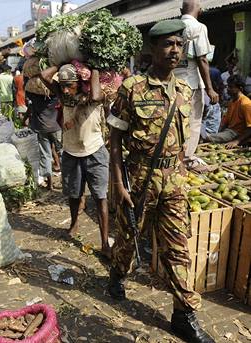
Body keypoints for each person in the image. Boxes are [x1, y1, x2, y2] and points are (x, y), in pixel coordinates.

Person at [107, 20, 215, 343]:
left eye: (179, 45)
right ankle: (117, 274)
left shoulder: (184, 91)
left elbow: (182, 143)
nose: (175, 51)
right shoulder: (132, 89)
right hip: (140, 179)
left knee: (179, 248)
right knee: (128, 238)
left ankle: (184, 315)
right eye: (168, 44)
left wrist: (189, 167)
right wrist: (119, 185)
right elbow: (114, 140)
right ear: (151, 49)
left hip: (175, 183)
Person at [40, 63, 111, 258]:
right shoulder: (64, 96)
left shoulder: (94, 95)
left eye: (70, 85)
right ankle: (73, 224)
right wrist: (64, 61)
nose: (65, 89)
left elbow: (96, 97)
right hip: (71, 152)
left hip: (95, 151)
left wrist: (92, 66)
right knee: (73, 194)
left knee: (100, 197)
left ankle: (105, 242)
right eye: (62, 85)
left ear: (80, 83)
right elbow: (44, 75)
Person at [173, 0, 219, 168]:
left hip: (172, 83)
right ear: (199, 11)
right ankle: (186, 161)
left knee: (174, 123)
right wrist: (210, 89)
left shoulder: (174, 27)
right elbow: (202, 59)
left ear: (180, 10)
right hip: (191, 85)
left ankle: (173, 158)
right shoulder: (198, 27)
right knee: (193, 123)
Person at [25, 84, 62, 190]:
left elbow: (28, 92)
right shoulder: (55, 96)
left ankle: (50, 184)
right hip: (56, 127)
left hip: (42, 128)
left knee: (45, 155)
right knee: (62, 153)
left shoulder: (35, 97)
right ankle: (65, 181)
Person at [204, 75, 251, 147]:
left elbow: (250, 128)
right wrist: (219, 133)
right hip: (230, 131)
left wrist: (236, 141)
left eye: (231, 87)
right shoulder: (232, 102)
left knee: (206, 137)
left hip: (237, 133)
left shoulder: (245, 103)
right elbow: (225, 122)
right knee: (209, 136)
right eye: (228, 87)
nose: (228, 89)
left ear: (240, 89)